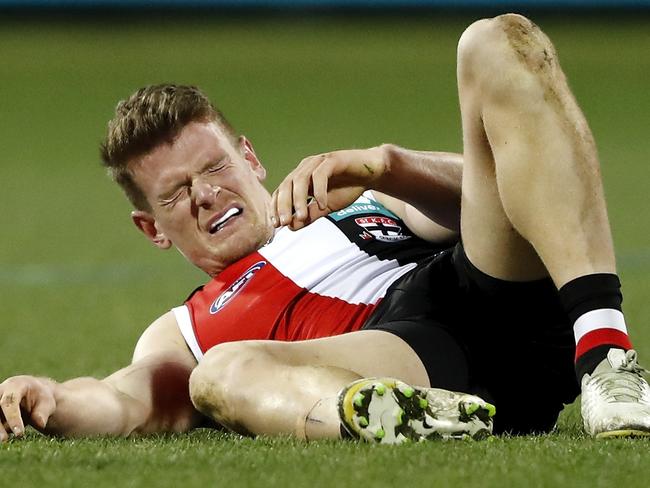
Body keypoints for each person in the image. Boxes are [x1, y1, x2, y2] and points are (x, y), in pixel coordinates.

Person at [1, 13, 649, 444]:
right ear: (153, 229)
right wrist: (48, 399)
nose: (207, 195)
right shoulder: (187, 330)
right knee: (218, 372)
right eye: (176, 194)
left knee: (492, 39)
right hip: (407, 359)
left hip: (492, 296)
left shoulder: (356, 203)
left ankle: (607, 362)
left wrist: (389, 168)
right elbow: (123, 401)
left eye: (216, 168)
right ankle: (392, 418)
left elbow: (513, 190)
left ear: (250, 157)